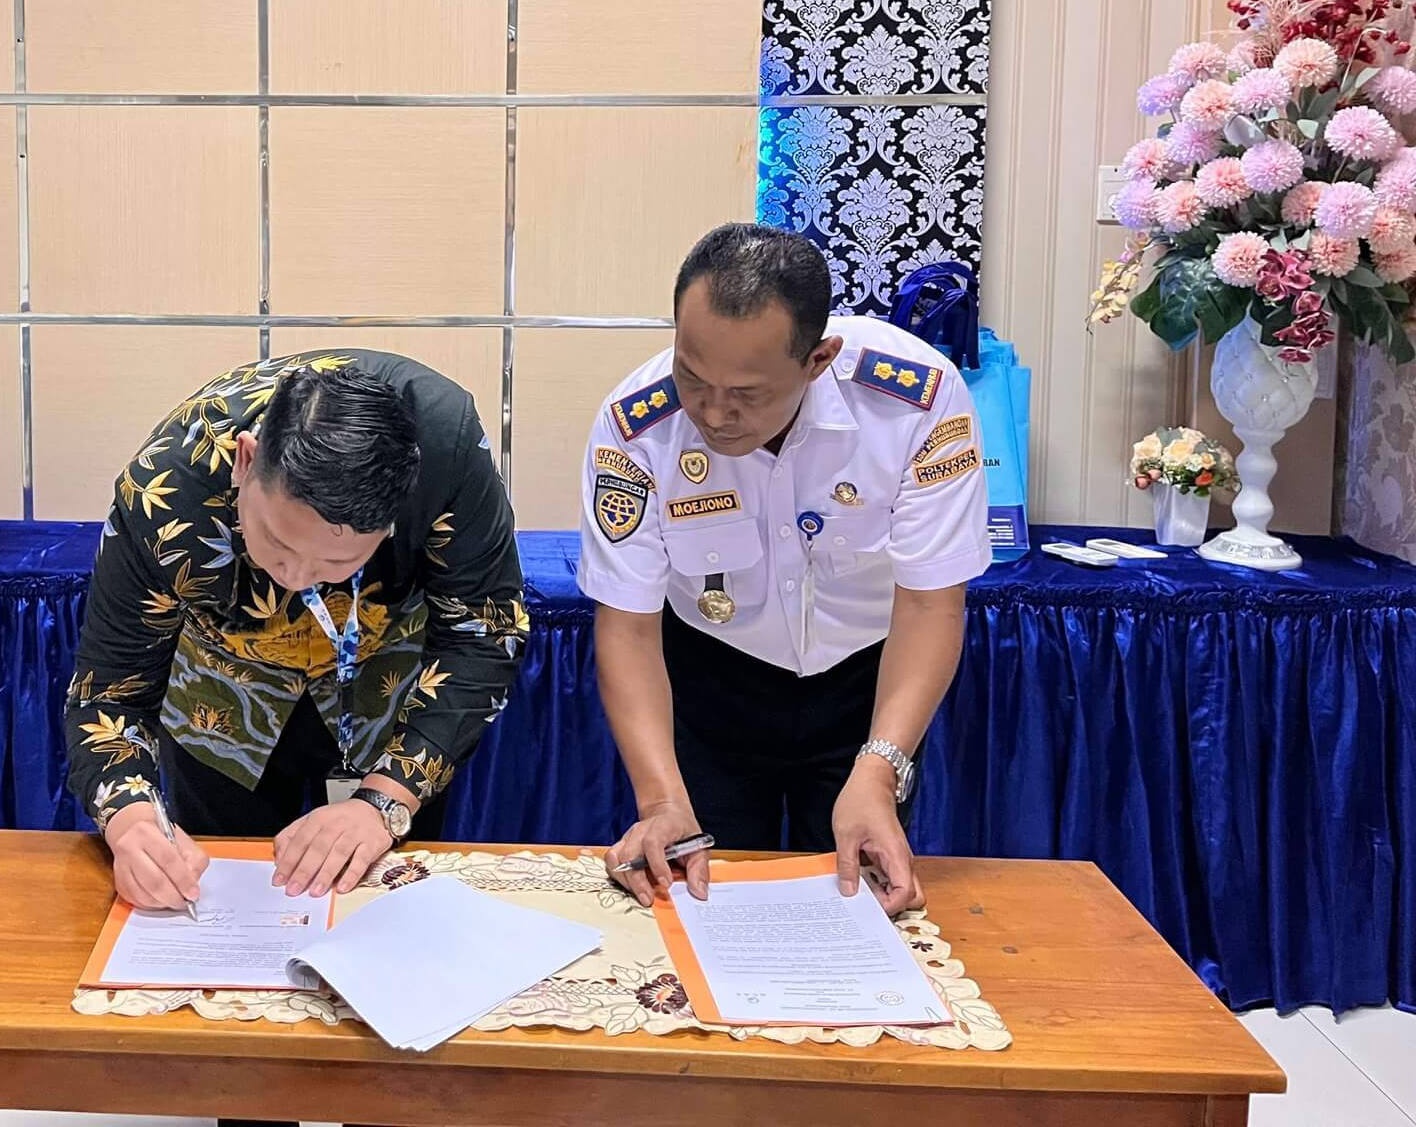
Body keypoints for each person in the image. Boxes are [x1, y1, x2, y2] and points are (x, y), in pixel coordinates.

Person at [581, 224, 990, 916]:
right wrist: (660, 802)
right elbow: (627, 627)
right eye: (692, 377)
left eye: (747, 393)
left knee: (851, 905)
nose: (715, 413)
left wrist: (881, 768)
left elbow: (930, 604)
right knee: (698, 900)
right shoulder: (635, 426)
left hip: (866, 683)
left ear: (818, 359)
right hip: (712, 679)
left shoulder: (915, 401)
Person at [66, 350, 527, 916]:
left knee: (385, 909)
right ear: (246, 461)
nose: (296, 577)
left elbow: (484, 634)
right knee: (223, 896)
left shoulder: (444, 450)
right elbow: (109, 693)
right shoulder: (165, 490)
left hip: (387, 691)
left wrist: (385, 803)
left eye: (337, 563)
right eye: (277, 543)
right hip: (223, 701)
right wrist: (132, 820)